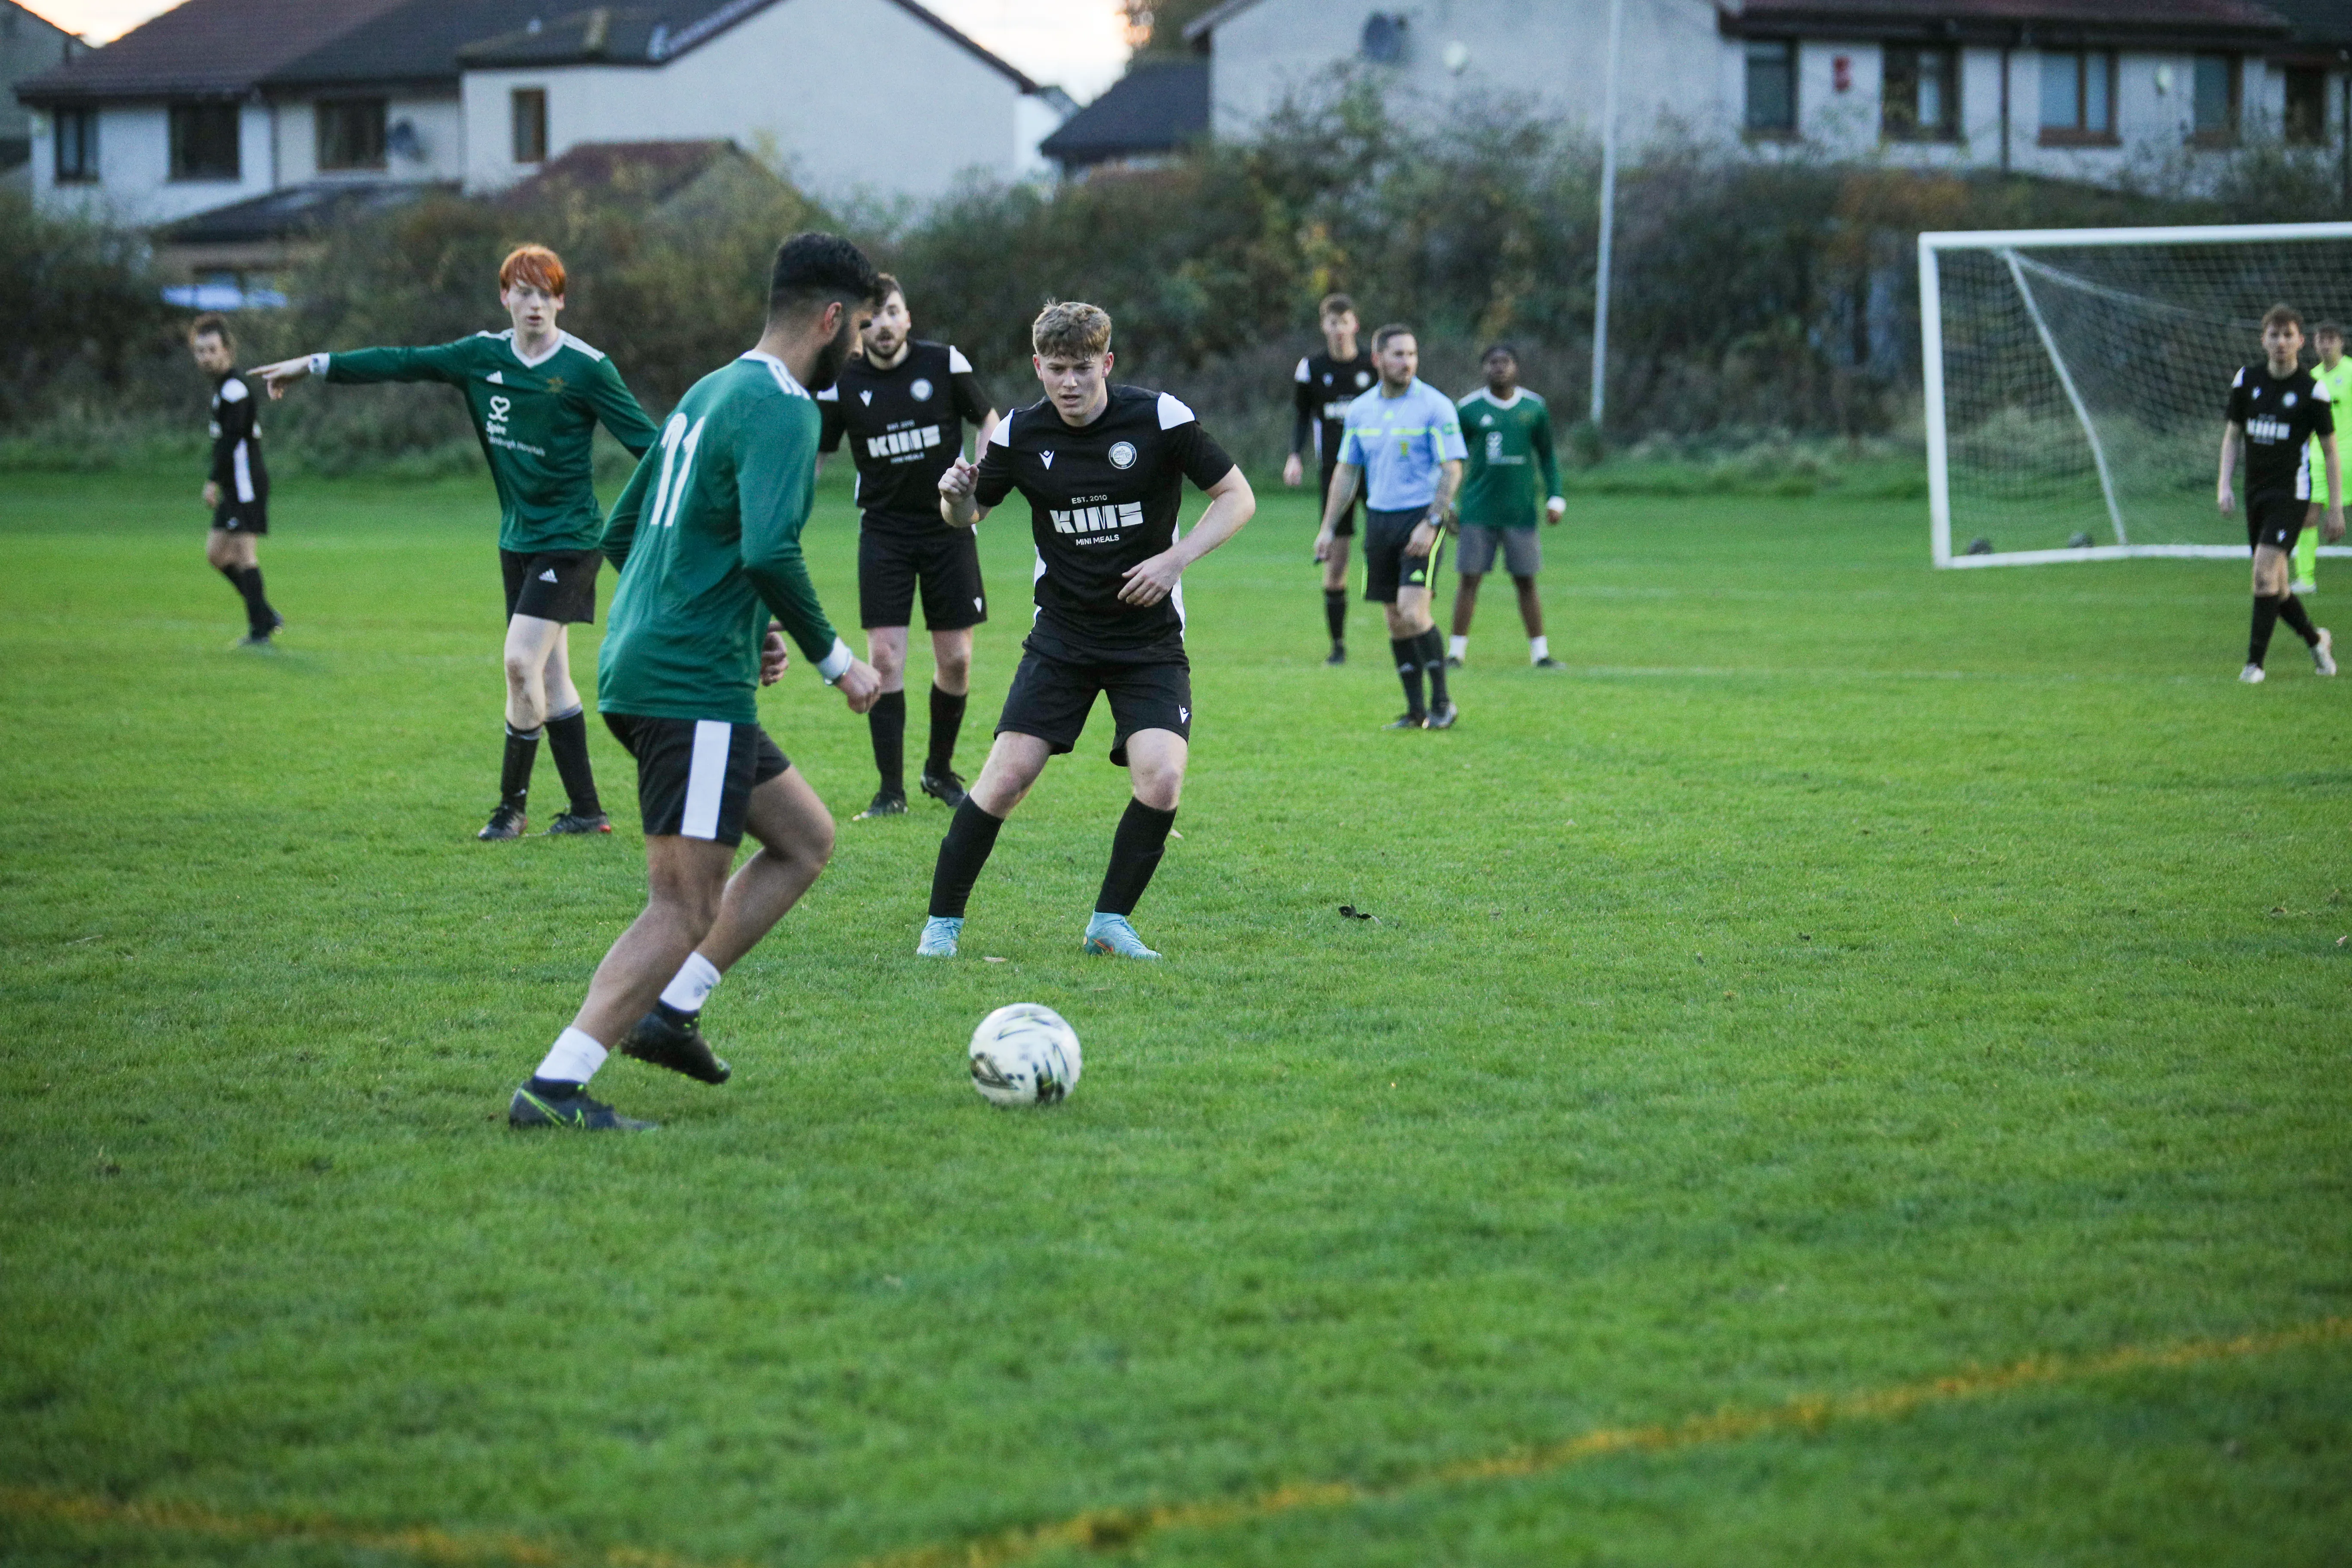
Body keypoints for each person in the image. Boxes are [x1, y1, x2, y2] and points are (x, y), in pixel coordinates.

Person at [506, 233, 885, 1132]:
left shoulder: (710, 391)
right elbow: (768, 549)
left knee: (802, 838)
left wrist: (736, 627)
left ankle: (672, 1015)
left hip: (652, 664)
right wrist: (839, 662)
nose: (859, 347)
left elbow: (626, 531)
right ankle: (554, 1088)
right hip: (688, 686)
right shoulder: (786, 409)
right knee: (682, 905)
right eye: (859, 328)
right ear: (831, 319)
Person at [252, 245, 661, 840]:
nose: (535, 304)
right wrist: (313, 365)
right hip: (517, 538)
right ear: (505, 297)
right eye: (524, 292)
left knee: (520, 662)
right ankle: (587, 812)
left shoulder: (586, 368)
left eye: (547, 294)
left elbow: (650, 446)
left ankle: (509, 810)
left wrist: (685, 510)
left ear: (562, 301)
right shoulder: (480, 357)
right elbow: (401, 361)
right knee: (548, 679)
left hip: (571, 540)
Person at [919, 300, 1256, 961]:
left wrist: (1175, 558)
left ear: (1106, 363)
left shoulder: (1160, 418)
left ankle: (1109, 922)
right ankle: (942, 926)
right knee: (1007, 778)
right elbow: (967, 516)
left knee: (1161, 779)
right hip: (1064, 638)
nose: (1069, 384)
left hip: (1148, 639)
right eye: (1056, 370)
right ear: (1037, 366)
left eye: (1082, 369)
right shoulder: (1019, 434)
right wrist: (955, 494)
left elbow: (1237, 496)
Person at [816, 274, 999, 820]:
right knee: (884, 658)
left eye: (891, 313)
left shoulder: (944, 363)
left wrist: (981, 483)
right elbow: (817, 454)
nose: (882, 326)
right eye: (869, 319)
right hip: (885, 532)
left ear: (908, 317)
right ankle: (889, 791)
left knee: (958, 660)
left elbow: (987, 419)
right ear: (857, 328)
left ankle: (938, 772)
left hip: (947, 529)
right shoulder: (840, 380)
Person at [1316, 324, 1467, 729]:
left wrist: (1433, 521)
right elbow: (1347, 473)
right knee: (1395, 620)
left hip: (1419, 519)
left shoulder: (1435, 406)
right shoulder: (1362, 410)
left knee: (1414, 612)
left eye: (1413, 354)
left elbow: (1452, 469)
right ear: (1378, 359)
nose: (1408, 362)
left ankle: (1443, 705)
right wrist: (1328, 527)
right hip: (1379, 520)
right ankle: (1416, 711)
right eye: (1399, 354)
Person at [2218, 303, 2342, 683]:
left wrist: (2335, 507)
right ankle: (2316, 640)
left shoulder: (2312, 390)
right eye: (2274, 335)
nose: (2281, 342)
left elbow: (2330, 449)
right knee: (2278, 586)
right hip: (2256, 493)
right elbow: (2233, 434)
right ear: (2263, 340)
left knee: (2262, 574)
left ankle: (2254, 665)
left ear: (2301, 341)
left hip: (2291, 495)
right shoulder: (2247, 381)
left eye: (2288, 335)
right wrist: (2224, 484)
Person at [1448, 344, 1566, 670]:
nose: (1499, 368)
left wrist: (1555, 498)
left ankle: (1540, 654)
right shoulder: (1469, 409)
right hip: (1477, 510)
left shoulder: (1534, 408)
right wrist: (1450, 503)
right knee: (1469, 580)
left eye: (1505, 362)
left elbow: (1548, 457)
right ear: (1483, 368)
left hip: (1520, 511)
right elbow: (1452, 459)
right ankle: (1455, 654)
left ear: (1516, 367)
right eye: (1492, 363)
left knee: (1526, 581)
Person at [1284, 293, 1375, 665]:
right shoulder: (1311, 368)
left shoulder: (1374, 363)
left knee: (1389, 543)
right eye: (1331, 323)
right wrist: (1295, 456)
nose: (1338, 330)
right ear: (1324, 326)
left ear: (1355, 324)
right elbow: (1302, 416)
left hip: (1378, 468)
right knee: (1337, 561)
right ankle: (1338, 646)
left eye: (1344, 322)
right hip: (1335, 471)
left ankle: (1406, 622)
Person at [188, 314, 282, 647]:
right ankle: (265, 614)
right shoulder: (223, 390)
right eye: (200, 351)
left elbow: (231, 441)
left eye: (212, 350)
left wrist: (213, 481)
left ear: (227, 351)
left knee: (244, 555)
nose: (205, 357)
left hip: (245, 484)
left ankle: (260, 632)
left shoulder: (235, 390)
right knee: (216, 554)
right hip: (234, 485)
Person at [2295, 320, 2350, 595]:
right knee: (2309, 515)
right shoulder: (2311, 378)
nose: (2327, 343)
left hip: (2350, 454)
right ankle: (2305, 579)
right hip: (2320, 456)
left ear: (2341, 342)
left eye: (2332, 338)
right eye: (2321, 339)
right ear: (2314, 343)